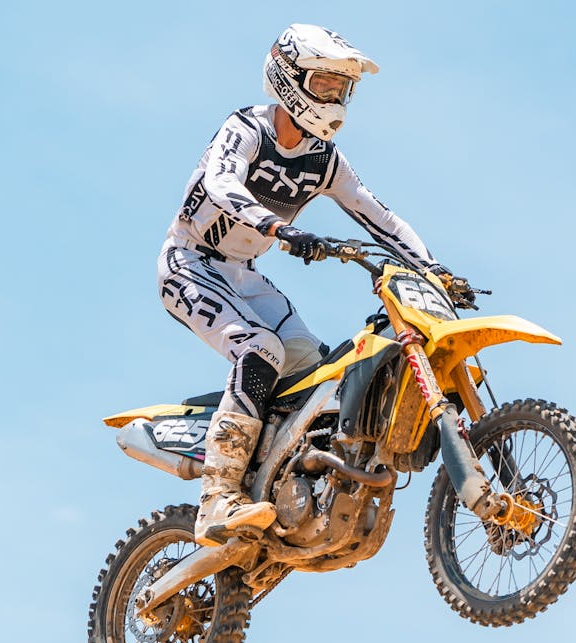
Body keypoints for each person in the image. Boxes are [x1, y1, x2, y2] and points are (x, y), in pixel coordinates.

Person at [158, 23, 469, 547]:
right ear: (287, 78)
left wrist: (435, 271)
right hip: (189, 262)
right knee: (260, 349)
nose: (335, 98)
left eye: (341, 89)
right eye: (324, 85)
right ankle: (217, 496)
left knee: (315, 369)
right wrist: (280, 227)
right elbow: (220, 182)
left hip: (244, 275)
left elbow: (381, 219)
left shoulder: (324, 160)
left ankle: (286, 480)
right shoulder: (247, 129)